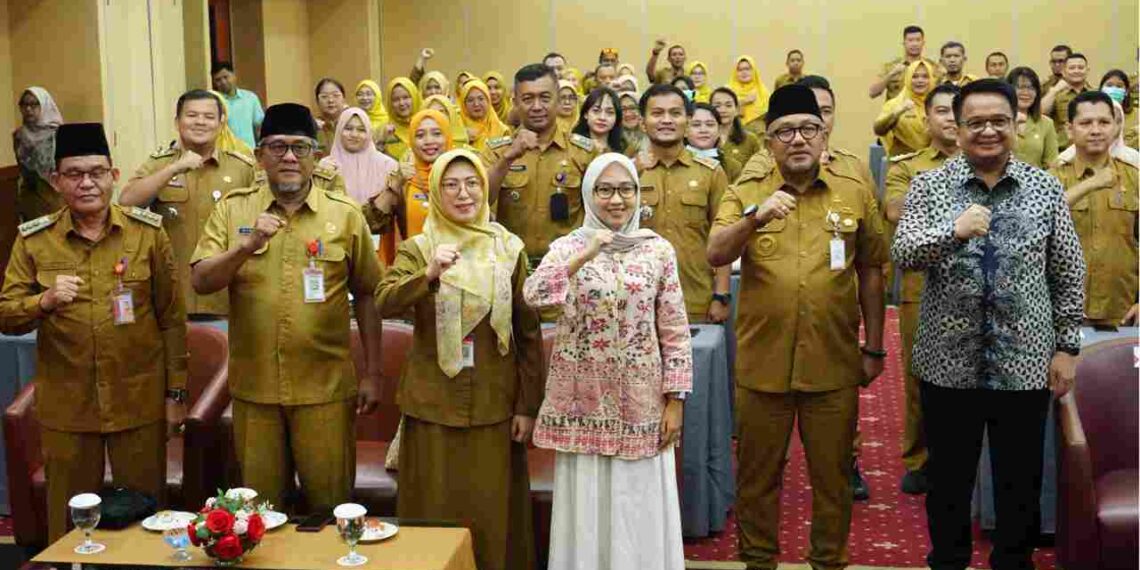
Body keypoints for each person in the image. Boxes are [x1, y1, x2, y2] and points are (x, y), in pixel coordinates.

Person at [892, 79, 1085, 570]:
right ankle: (949, 560)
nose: (988, 130)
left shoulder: (1044, 186)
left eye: (999, 120)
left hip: (1024, 361)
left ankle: (1013, 561)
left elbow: (1067, 269)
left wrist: (1066, 347)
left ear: (1016, 125)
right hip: (947, 361)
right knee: (949, 481)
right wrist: (951, 233)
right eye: (975, 122)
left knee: (1018, 482)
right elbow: (904, 252)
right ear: (956, 129)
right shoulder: (930, 185)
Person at [707, 84, 888, 570]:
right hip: (762, 365)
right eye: (784, 132)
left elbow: (872, 267)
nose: (798, 139)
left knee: (833, 480)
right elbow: (717, 251)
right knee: (758, 479)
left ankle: (829, 562)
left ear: (823, 134)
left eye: (808, 129)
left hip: (832, 363)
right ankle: (758, 562)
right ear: (769, 142)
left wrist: (874, 346)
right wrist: (755, 218)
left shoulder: (853, 188)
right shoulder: (748, 189)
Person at [190, 103, 385, 513]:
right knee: (260, 515)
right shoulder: (233, 209)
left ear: (316, 155)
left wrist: (372, 372)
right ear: (260, 156)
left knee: (331, 509)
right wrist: (243, 248)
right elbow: (202, 279)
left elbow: (368, 294)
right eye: (278, 147)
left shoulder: (345, 216)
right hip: (256, 391)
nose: (290, 157)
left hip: (325, 392)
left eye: (300, 147)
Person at [0, 123, 187, 542]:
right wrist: (42, 302)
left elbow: (172, 319)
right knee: (70, 520)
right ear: (56, 180)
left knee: (145, 515)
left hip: (137, 399)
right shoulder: (34, 241)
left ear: (114, 176)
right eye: (74, 174)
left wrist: (176, 394)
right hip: (69, 405)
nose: (87, 183)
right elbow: (7, 314)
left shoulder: (148, 234)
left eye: (97, 172)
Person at [376, 149, 543, 570]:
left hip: (494, 406)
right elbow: (384, 302)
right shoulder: (420, 248)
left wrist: (527, 405)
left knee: (492, 517)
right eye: (451, 184)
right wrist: (428, 275)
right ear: (435, 191)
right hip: (433, 405)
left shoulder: (508, 248)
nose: (463, 193)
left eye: (472, 183)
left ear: (485, 189)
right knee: (433, 517)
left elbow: (527, 332)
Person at [524, 153, 691, 570]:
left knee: (638, 507)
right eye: (605, 189)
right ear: (588, 194)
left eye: (626, 189)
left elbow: (674, 327)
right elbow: (535, 296)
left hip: (642, 404)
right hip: (583, 403)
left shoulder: (657, 250)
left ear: (638, 194)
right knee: (588, 506)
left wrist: (676, 400)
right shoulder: (568, 246)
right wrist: (584, 254)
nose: (616, 200)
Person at [882, 83, 961, 496]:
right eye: (942, 112)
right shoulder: (906, 166)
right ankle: (918, 458)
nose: (949, 118)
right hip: (923, 287)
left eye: (955, 111)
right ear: (926, 119)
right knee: (920, 375)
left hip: (979, 286)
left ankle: (963, 458)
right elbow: (896, 210)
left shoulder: (987, 164)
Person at [120, 89, 258, 319]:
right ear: (177, 121)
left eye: (208, 116)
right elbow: (126, 204)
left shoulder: (242, 167)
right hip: (173, 293)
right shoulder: (159, 164)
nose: (200, 122)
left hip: (229, 294)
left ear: (221, 122)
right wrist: (173, 169)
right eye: (192, 115)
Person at [481, 63, 597, 267]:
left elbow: (598, 213)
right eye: (527, 99)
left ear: (558, 99)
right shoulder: (497, 151)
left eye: (545, 98)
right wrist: (508, 158)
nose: (536, 106)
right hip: (512, 268)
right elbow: (480, 201)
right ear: (515, 102)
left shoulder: (583, 152)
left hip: (567, 267)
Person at [637, 85, 732, 325]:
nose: (666, 120)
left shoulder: (711, 173)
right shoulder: (627, 172)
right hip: (638, 302)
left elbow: (723, 237)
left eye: (675, 113)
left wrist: (721, 295)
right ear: (642, 122)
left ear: (688, 121)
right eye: (657, 113)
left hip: (696, 299)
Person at [1050, 90, 1139, 326]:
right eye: (1086, 123)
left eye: (1104, 122)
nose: (1096, 130)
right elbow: (1035, 224)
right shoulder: (1052, 179)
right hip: (1062, 314)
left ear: (1115, 127)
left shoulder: (1134, 177)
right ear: (1070, 129)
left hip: (1123, 311)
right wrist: (1091, 184)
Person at [373, 109, 455, 265]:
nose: (429, 141)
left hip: (457, 269)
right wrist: (396, 185)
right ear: (411, 140)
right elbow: (376, 222)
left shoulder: (461, 175)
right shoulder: (402, 177)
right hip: (414, 270)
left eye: (437, 134)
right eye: (420, 135)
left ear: (448, 136)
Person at [319, 107, 399, 212]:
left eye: (361, 130)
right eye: (348, 128)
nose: (354, 135)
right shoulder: (325, 167)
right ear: (339, 131)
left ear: (369, 133)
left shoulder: (388, 165)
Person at [13, 87, 64, 222]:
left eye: (34, 104)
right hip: (29, 196)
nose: (28, 109)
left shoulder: (59, 133)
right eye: (24, 104)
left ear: (44, 105)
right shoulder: (19, 135)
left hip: (55, 196)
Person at [874, 60, 935, 157]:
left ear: (931, 79)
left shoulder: (938, 105)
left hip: (933, 162)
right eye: (914, 76)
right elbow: (878, 130)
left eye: (925, 76)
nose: (920, 80)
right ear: (907, 79)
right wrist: (896, 114)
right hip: (903, 163)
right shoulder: (895, 104)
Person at [1005, 67, 1060, 168]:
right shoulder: (999, 121)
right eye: (1020, 87)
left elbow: (1052, 164)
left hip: (1036, 182)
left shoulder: (1046, 123)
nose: (1026, 92)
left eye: (1031, 88)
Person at [870, 25, 941, 100]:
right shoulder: (891, 66)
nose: (914, 44)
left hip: (922, 110)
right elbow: (873, 93)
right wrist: (891, 74)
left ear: (923, 43)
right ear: (904, 43)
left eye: (918, 40)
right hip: (896, 111)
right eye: (910, 40)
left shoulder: (933, 67)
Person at [1042, 53, 1092, 148]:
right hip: (1062, 148)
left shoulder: (1095, 94)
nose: (1076, 71)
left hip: (1089, 147)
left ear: (1087, 71)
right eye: (1072, 68)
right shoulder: (1056, 94)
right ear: (1064, 72)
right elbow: (1041, 113)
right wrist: (1054, 91)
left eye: (1080, 67)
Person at [212, 61, 264, 149]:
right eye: (218, 80)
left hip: (249, 152)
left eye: (225, 77)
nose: (223, 82)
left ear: (234, 75)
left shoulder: (250, 98)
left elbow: (259, 126)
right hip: (226, 154)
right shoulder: (214, 101)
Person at [687, 102, 742, 182]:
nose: (703, 130)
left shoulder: (732, 167)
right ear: (684, 130)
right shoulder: (672, 162)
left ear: (719, 130)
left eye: (710, 125)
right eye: (696, 125)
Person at [711, 87, 762, 166]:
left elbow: (761, 168)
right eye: (717, 106)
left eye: (728, 105)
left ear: (737, 110)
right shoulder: (703, 138)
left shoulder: (750, 140)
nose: (723, 110)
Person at [460, 79, 510, 152]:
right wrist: (463, 138)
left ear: (488, 101)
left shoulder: (502, 131)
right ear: (463, 104)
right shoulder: (457, 130)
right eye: (470, 100)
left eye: (481, 99)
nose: (476, 104)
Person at [380, 77, 423, 162]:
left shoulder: (426, 125)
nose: (402, 103)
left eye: (406, 97)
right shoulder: (384, 131)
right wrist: (382, 142)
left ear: (414, 97)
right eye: (396, 99)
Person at [573, 87, 626, 156]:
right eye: (596, 111)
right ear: (586, 114)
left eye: (609, 112)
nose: (602, 117)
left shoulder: (624, 149)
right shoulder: (573, 144)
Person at [727, 56, 771, 133]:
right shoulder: (728, 91)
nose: (744, 72)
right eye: (740, 70)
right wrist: (743, 101)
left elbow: (769, 116)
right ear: (735, 72)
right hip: (734, 134)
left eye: (747, 69)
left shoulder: (762, 91)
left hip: (758, 135)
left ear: (753, 71)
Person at [1100, 69, 1137, 149]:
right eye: (1109, 85)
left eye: (1119, 86)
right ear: (1101, 89)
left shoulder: (1137, 115)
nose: (1114, 89)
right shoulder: (1092, 113)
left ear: (1126, 91)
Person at [313, 78, 348, 157]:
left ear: (344, 99)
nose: (330, 100)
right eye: (324, 97)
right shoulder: (312, 128)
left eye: (336, 95)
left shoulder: (352, 125)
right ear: (317, 101)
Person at [354, 80, 390, 146]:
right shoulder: (353, 119)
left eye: (369, 94)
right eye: (360, 94)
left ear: (377, 97)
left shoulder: (388, 121)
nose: (364, 98)